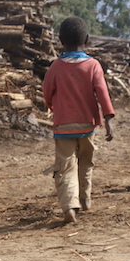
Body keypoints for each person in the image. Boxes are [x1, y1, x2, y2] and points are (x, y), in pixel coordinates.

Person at [42, 16, 115, 224]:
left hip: (63, 125)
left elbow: (47, 91)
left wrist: (51, 106)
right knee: (86, 162)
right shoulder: (93, 66)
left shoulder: (56, 66)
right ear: (87, 39)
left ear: (60, 41)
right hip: (87, 125)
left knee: (65, 167)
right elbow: (102, 94)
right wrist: (108, 120)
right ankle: (85, 199)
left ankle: (69, 206)